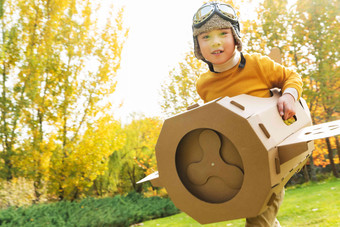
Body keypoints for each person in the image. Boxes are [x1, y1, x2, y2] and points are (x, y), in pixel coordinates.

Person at [192, 2, 303, 227]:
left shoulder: (257, 65)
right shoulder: (203, 85)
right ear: (197, 46)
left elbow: (291, 76)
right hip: (238, 162)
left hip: (271, 159)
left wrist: (289, 96)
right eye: (205, 37)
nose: (215, 42)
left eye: (223, 33)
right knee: (258, 215)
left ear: (235, 37)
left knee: (258, 220)